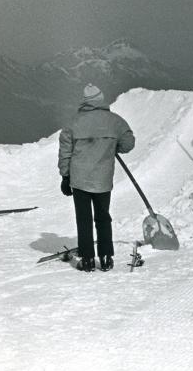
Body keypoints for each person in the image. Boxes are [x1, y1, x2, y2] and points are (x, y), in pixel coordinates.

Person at [58, 84, 135, 272]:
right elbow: (128, 144)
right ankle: (106, 256)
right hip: (103, 179)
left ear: (84, 102)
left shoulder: (73, 123)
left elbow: (65, 153)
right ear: (101, 100)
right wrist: (111, 145)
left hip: (79, 180)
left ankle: (88, 260)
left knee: (83, 219)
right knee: (103, 218)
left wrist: (65, 176)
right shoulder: (115, 121)